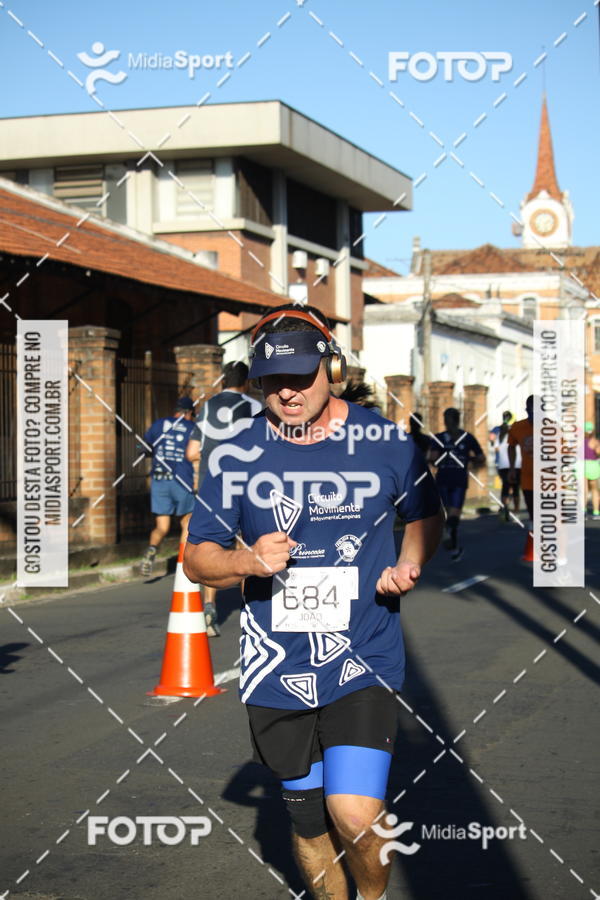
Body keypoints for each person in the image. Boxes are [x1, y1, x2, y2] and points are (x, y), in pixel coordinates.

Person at [183, 302, 444, 900]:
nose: (289, 392)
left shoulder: (385, 443)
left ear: (332, 369)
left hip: (362, 655)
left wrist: (409, 563)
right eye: (274, 380)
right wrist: (246, 561)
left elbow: (425, 516)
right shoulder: (234, 455)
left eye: (302, 376)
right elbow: (198, 557)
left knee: (354, 813)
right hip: (278, 667)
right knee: (308, 821)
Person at [185, 361, 261, 636]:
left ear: (222, 381)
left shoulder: (206, 408)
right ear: (248, 382)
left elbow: (191, 452)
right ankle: (249, 611)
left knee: (210, 547)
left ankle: (209, 608)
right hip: (245, 485)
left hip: (210, 486)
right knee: (246, 547)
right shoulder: (254, 407)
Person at [139, 396, 196, 577]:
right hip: (182, 480)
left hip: (159, 480)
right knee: (186, 522)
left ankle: (151, 550)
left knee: (162, 526)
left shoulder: (159, 424)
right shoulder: (191, 428)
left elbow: (144, 448)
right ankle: (183, 562)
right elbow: (196, 454)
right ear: (188, 414)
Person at [427, 407, 485, 562]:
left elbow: (432, 458)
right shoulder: (467, 437)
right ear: (458, 420)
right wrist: (468, 459)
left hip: (443, 477)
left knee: (446, 513)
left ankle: (451, 543)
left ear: (445, 421)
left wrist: (441, 459)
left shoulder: (439, 438)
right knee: (455, 513)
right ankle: (452, 543)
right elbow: (480, 457)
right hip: (459, 478)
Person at [508, 396, 534, 527]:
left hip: (549, 480)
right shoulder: (518, 427)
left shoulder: (552, 427)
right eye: (531, 410)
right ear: (526, 410)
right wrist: (512, 468)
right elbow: (511, 446)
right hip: (528, 479)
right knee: (533, 516)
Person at [493, 412, 521, 521]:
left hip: (503, 465)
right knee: (515, 488)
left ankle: (504, 508)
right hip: (516, 463)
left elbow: (496, 448)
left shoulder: (501, 433)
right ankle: (517, 511)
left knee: (505, 486)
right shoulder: (516, 432)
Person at [584, 421, 600, 518]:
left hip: (583, 465)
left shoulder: (580, 441)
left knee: (584, 490)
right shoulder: (595, 442)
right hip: (593, 466)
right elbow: (598, 452)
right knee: (594, 490)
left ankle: (583, 510)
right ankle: (596, 512)